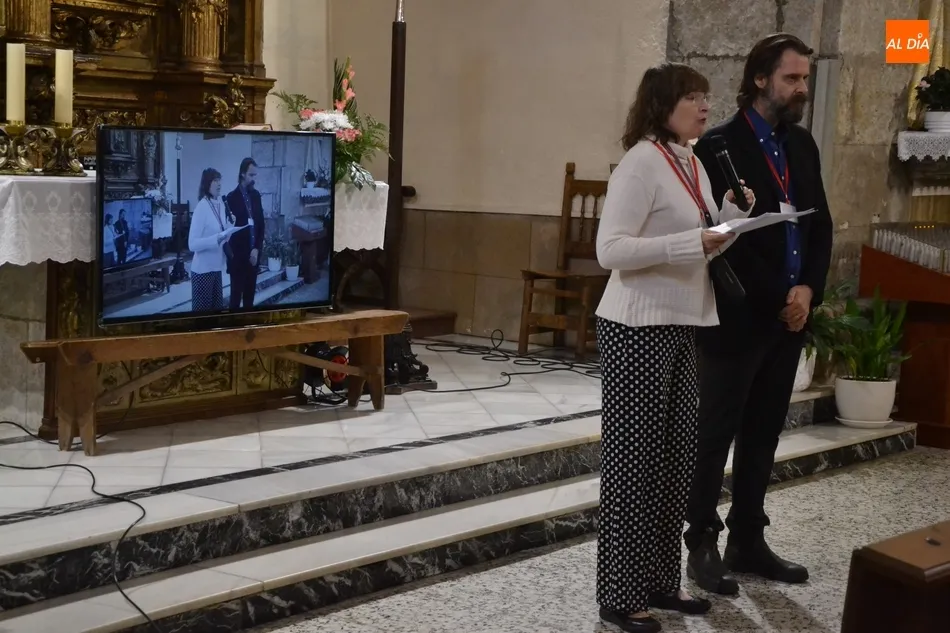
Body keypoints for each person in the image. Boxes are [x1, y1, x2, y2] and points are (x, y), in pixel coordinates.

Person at [595, 63, 755, 633]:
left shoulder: (690, 161)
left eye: (706, 97)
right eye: (693, 97)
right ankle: (619, 595)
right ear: (662, 105)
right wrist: (692, 241)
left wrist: (732, 219)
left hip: (685, 322)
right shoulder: (641, 163)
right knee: (633, 465)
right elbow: (610, 250)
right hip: (637, 327)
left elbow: (699, 241)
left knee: (673, 463)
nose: (705, 107)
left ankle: (662, 582)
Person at [685, 33, 833, 596]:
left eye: (805, 78)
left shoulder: (802, 145)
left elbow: (819, 224)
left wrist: (808, 291)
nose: (801, 88)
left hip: (789, 314)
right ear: (760, 79)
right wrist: (781, 298)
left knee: (764, 431)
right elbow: (726, 239)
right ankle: (701, 541)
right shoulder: (719, 145)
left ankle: (748, 538)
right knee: (716, 431)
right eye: (792, 78)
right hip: (739, 315)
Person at [188, 168, 233, 313]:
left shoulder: (220, 204)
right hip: (202, 270)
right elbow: (192, 244)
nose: (219, 184)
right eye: (215, 180)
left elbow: (221, 234)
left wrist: (230, 228)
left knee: (216, 314)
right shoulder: (201, 207)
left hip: (216, 268)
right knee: (203, 317)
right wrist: (215, 239)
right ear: (207, 183)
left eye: (220, 180)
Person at [224, 157, 266, 310]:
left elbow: (261, 225)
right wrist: (242, 254)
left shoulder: (256, 196)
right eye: (251, 175)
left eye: (255, 175)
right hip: (238, 259)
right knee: (235, 301)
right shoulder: (231, 198)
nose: (254, 179)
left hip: (253, 257)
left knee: (249, 301)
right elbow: (230, 232)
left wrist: (256, 249)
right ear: (242, 174)